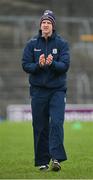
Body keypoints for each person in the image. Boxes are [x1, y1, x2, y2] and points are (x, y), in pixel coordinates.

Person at [22, 10, 70, 171]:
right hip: (38, 92)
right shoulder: (32, 43)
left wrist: (52, 63)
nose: (45, 24)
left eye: (49, 22)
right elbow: (25, 65)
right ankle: (42, 161)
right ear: (40, 25)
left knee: (56, 123)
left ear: (53, 26)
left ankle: (56, 158)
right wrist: (39, 65)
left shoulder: (62, 44)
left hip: (57, 90)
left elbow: (65, 65)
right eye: (43, 22)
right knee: (40, 126)